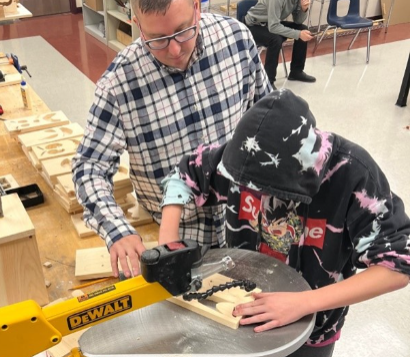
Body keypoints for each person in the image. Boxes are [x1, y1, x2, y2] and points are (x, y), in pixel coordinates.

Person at [159, 89, 410, 356]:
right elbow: (184, 174)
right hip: (240, 311)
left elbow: (397, 267)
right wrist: (169, 245)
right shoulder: (244, 156)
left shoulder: (352, 175)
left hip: (314, 328)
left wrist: (303, 303)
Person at [72, 0, 272, 278]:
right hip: (172, 235)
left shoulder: (236, 40)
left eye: (183, 31)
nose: (174, 49)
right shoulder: (119, 84)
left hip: (246, 223)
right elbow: (89, 167)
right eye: (157, 39)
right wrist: (117, 231)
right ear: (137, 24)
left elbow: (268, 125)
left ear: (197, 8)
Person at [243, 0, 316, 89]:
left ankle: (296, 72)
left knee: (303, 29)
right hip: (253, 25)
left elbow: (298, 21)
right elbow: (273, 27)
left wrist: (303, 9)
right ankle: (268, 82)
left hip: (269, 23)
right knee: (275, 40)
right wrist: (298, 34)